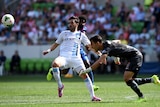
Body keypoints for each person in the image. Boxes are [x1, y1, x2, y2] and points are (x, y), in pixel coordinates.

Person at [80, 35, 160, 102]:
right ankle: (152, 79)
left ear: (98, 43)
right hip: (134, 56)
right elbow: (118, 41)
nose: (92, 46)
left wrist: (85, 71)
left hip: (135, 56)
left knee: (127, 79)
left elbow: (99, 62)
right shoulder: (107, 43)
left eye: (92, 44)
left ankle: (141, 97)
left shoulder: (106, 48)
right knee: (131, 80)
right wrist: (116, 58)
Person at [42, 16, 101, 101]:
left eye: (72, 23)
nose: (69, 25)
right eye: (69, 23)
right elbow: (56, 44)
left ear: (77, 23)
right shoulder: (64, 33)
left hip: (76, 59)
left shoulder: (81, 35)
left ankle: (93, 96)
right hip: (64, 57)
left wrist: (98, 53)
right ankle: (60, 86)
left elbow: (89, 47)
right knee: (54, 64)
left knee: (85, 75)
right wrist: (48, 50)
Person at [64, 16, 100, 91]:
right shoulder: (70, 31)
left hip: (79, 49)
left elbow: (85, 41)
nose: (83, 24)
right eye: (82, 22)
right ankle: (54, 70)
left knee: (87, 64)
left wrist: (94, 50)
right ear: (77, 22)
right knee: (64, 71)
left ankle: (92, 84)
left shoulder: (83, 29)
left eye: (84, 22)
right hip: (71, 50)